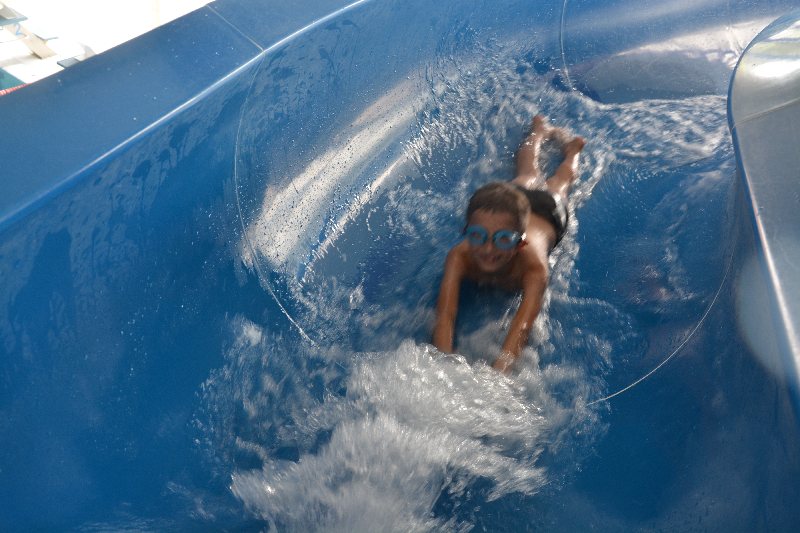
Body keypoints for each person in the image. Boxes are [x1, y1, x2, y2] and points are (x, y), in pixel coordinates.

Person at [432, 115, 585, 372]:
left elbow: (521, 329)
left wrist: (497, 377)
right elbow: (445, 316)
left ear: (520, 243)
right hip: (511, 206)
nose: (488, 249)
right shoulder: (459, 256)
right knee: (526, 172)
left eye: (503, 240)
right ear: (467, 232)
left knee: (560, 183)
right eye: (478, 236)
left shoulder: (534, 269)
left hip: (549, 211)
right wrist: (443, 366)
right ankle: (538, 131)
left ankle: (572, 151)